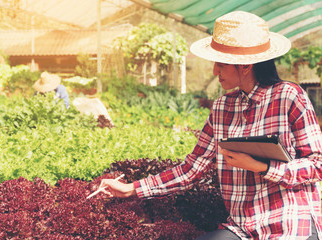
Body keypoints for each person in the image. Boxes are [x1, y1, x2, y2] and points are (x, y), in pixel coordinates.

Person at [100, 11, 322, 240]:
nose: (215, 71)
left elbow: (318, 165)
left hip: (291, 220)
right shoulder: (222, 108)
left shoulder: (289, 96)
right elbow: (191, 169)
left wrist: (262, 167)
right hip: (243, 227)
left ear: (245, 65)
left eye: (221, 64)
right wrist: (133, 188)